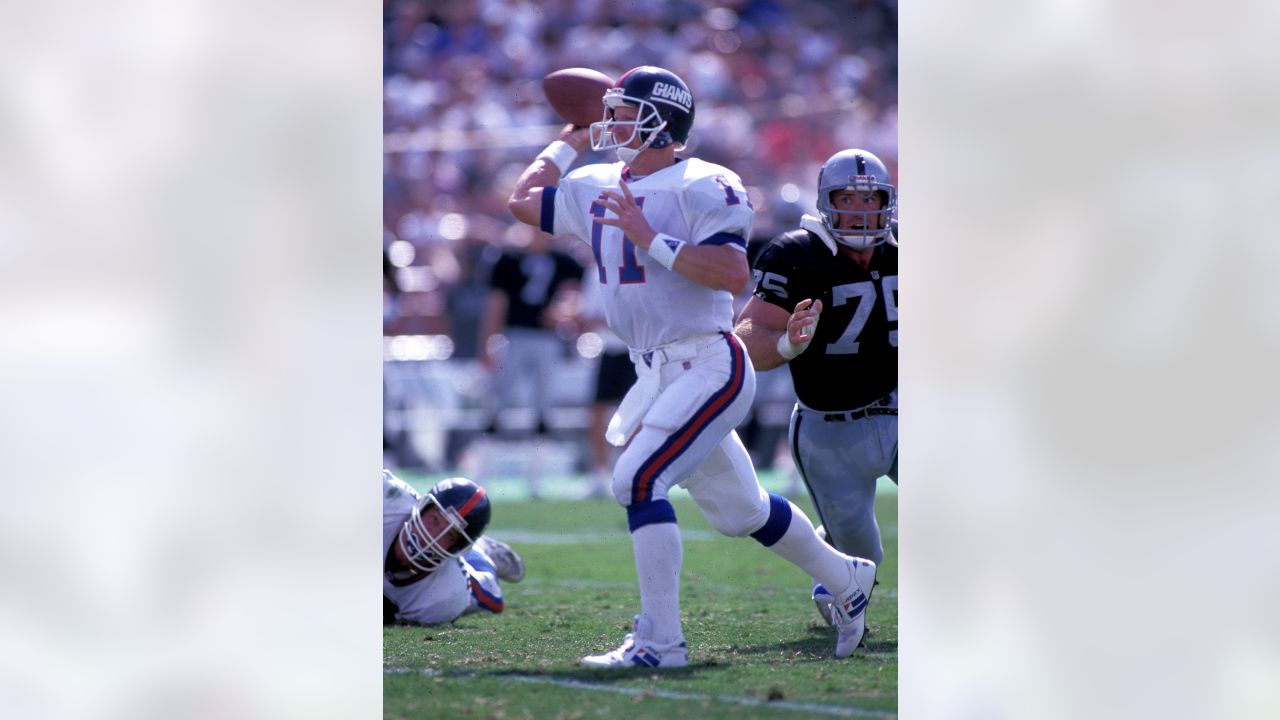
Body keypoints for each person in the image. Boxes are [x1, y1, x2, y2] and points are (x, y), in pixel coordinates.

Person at [507, 66, 877, 666]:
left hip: (709, 361)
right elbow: (522, 201)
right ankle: (847, 577)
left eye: (624, 110)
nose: (613, 121)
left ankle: (660, 641)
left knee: (636, 480)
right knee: (743, 512)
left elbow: (733, 275)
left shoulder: (706, 182)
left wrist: (649, 235)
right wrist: (568, 141)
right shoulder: (597, 180)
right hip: (654, 371)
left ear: (661, 118)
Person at [734, 148, 898, 625]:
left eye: (872, 200)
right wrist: (786, 343)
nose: (861, 211)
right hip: (830, 426)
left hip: (902, 406)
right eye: (849, 198)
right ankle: (832, 566)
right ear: (828, 202)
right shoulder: (796, 254)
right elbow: (747, 336)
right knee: (863, 558)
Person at [383, 469, 526, 625]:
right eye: (434, 520)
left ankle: (483, 551)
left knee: (492, 598)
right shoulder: (386, 498)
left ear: (457, 548)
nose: (432, 536)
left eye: (449, 535)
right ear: (422, 507)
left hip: (446, 576)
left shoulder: (447, 593)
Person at [478, 229, 584, 437]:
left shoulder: (565, 262)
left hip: (548, 335)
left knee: (546, 388)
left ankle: (542, 429)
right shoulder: (509, 259)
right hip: (514, 333)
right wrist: (487, 342)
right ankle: (493, 427)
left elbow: (578, 293)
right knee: (503, 384)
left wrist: (564, 311)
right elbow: (497, 304)